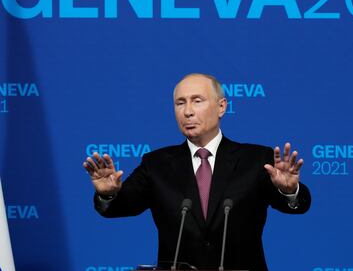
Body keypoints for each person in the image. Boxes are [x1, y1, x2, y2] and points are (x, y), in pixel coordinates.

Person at [83, 73, 311, 271]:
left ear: (222, 106)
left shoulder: (256, 159)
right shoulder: (157, 164)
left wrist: (289, 191)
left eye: (197, 101)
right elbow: (121, 206)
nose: (187, 111)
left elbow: (296, 206)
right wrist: (108, 194)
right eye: (180, 103)